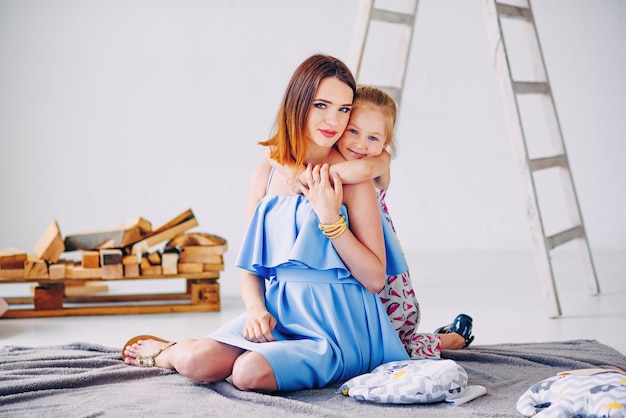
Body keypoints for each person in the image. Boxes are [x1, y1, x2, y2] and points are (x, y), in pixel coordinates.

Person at [122, 54, 409, 392]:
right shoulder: (266, 175)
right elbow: (249, 265)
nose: (333, 120)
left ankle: (264, 358)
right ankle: (167, 352)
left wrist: (331, 218)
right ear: (297, 104)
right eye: (321, 105)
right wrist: (256, 309)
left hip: (339, 325)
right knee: (196, 362)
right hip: (279, 313)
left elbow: (375, 279)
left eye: (344, 109)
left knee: (248, 374)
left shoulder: (355, 178)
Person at [266, 85, 474, 358]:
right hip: (341, 261)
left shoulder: (377, 161)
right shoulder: (334, 158)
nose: (361, 144)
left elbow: (360, 170)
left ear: (386, 143)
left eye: (373, 137)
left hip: (376, 261)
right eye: (353, 131)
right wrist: (296, 170)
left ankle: (450, 340)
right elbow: (269, 150)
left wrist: (302, 175)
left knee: (393, 339)